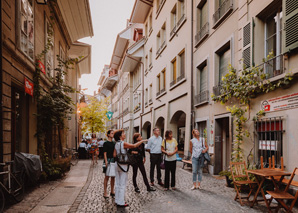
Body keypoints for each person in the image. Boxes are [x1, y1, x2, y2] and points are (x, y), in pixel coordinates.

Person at [113, 130, 144, 208]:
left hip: (117, 164)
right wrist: (142, 141)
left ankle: (117, 199)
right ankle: (121, 202)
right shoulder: (123, 143)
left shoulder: (116, 144)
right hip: (123, 165)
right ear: (120, 136)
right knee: (122, 183)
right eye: (123, 133)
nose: (125, 134)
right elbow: (134, 146)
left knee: (117, 183)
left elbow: (114, 155)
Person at [103, 130, 115, 198]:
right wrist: (106, 161)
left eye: (113, 133)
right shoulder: (106, 143)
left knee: (113, 176)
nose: (113, 134)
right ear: (108, 134)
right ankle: (105, 192)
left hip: (113, 160)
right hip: (108, 160)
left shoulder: (114, 143)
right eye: (112, 133)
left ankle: (112, 191)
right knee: (107, 177)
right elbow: (105, 153)